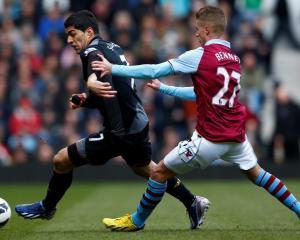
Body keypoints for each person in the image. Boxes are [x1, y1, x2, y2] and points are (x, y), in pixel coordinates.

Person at [91, 6, 300, 231]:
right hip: (236, 138)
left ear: (208, 29)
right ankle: (298, 209)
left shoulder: (199, 56)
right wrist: (165, 89)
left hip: (210, 139)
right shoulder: (234, 58)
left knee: (159, 172)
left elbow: (153, 70)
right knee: (258, 174)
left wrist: (114, 68)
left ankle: (137, 221)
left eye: (198, 29)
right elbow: (202, 94)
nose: (195, 33)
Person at [14, 10, 211, 230]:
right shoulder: (113, 47)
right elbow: (113, 89)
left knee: (61, 160)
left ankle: (47, 207)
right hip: (137, 122)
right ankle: (192, 202)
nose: (69, 40)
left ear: (88, 32)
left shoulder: (92, 50)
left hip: (121, 131)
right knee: (151, 170)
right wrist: (87, 99)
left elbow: (96, 70)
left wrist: (90, 83)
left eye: (72, 34)